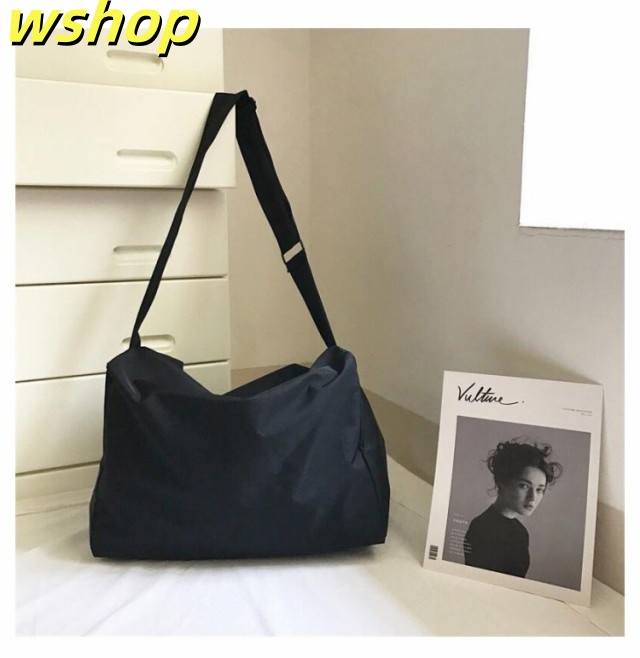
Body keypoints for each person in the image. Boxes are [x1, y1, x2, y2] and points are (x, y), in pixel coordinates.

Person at [463, 439, 562, 578]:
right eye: (524, 486)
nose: (532, 497)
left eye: (539, 489)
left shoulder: (520, 532)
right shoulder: (481, 528)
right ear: (503, 482)